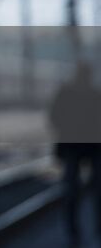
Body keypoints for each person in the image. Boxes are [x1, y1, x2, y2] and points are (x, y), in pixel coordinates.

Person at [49, 61, 101, 246]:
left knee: (72, 191)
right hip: (90, 149)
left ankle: (75, 233)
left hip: (76, 148)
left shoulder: (67, 93)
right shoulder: (95, 95)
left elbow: (54, 117)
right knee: (91, 192)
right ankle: (90, 231)